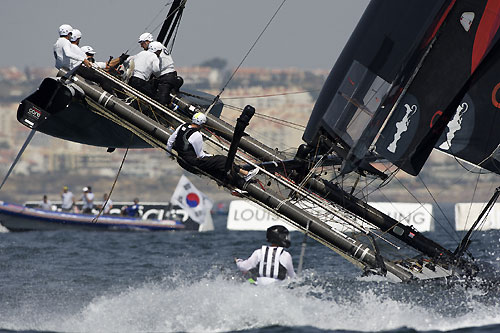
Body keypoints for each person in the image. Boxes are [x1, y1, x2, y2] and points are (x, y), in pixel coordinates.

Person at [166, 112, 259, 182]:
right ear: (202, 123)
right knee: (223, 160)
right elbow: (201, 155)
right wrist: (211, 156)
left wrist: (168, 154)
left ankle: (238, 179)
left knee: (220, 162)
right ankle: (245, 174)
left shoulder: (183, 125)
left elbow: (170, 141)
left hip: (182, 158)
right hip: (192, 161)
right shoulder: (197, 135)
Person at [150, 41, 178, 105]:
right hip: (171, 75)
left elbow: (155, 70)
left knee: (161, 101)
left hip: (166, 78)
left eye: (142, 43)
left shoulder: (155, 50)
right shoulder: (160, 47)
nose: (141, 46)